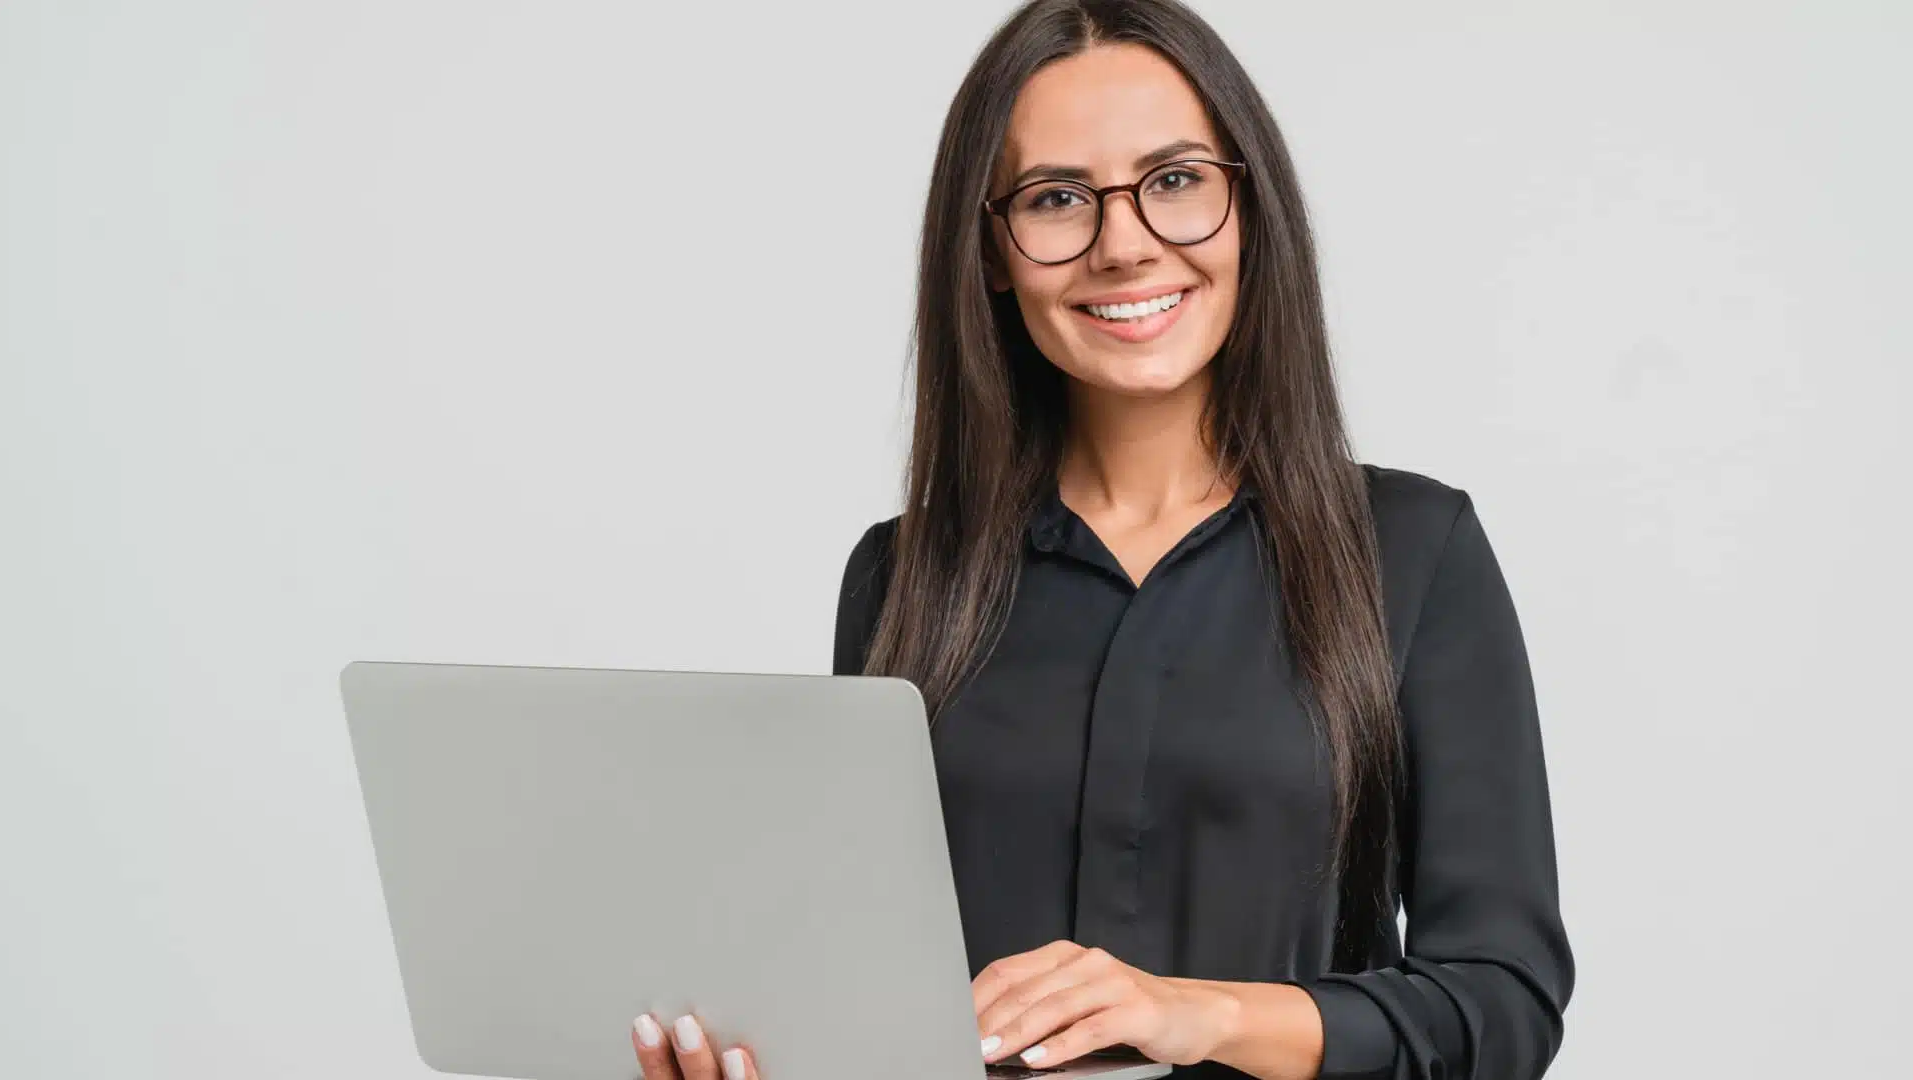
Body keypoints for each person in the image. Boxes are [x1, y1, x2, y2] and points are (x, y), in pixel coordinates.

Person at [631, 1, 1573, 1078]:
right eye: (1057, 198)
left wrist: (1196, 1013)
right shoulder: (901, 578)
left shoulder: (1413, 552)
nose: (1124, 245)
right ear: (990, 251)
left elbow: (1502, 1006)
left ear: (1247, 205)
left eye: (1174, 181)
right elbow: (881, 1001)